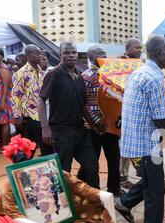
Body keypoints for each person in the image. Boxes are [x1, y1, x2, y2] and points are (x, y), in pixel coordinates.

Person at [114, 35, 165, 223]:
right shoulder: (155, 78)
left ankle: (123, 203)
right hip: (147, 143)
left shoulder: (137, 72)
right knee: (157, 188)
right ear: (158, 54)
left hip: (134, 139)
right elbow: (159, 117)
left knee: (149, 180)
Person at [38, 42, 100, 189]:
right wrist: (45, 128)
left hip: (80, 131)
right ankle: (64, 206)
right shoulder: (54, 75)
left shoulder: (79, 78)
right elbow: (41, 99)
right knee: (64, 171)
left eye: (73, 52)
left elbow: (82, 105)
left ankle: (95, 204)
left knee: (92, 167)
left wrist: (94, 125)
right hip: (61, 132)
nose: (71, 55)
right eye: (66, 53)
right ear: (60, 55)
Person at [77, 46, 123, 196]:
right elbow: (83, 103)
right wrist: (96, 121)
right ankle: (80, 185)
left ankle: (114, 188)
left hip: (110, 126)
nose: (104, 55)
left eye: (104, 52)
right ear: (91, 58)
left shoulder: (111, 75)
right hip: (94, 127)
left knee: (114, 159)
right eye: (99, 53)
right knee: (91, 161)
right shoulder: (86, 76)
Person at [11, 44, 53, 156]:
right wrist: (17, 116)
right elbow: (16, 95)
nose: (40, 55)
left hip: (43, 114)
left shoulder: (43, 73)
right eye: (37, 53)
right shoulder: (20, 73)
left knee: (29, 148)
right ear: (28, 56)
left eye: (40, 53)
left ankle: (21, 168)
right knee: (44, 146)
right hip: (30, 116)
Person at [119, 38, 143, 189]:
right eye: (136, 48)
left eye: (141, 48)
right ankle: (122, 178)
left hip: (136, 113)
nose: (140, 50)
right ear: (127, 49)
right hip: (122, 112)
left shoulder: (140, 65)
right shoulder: (119, 64)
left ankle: (136, 171)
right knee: (124, 148)